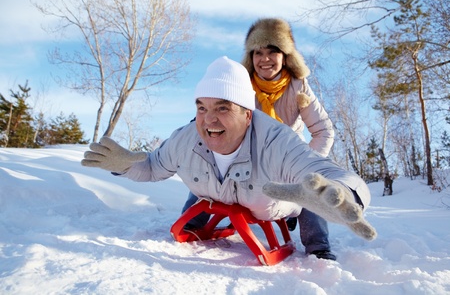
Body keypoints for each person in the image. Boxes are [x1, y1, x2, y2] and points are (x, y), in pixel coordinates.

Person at [81, 57, 377, 261]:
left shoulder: (276, 141)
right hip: (217, 192)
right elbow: (152, 167)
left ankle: (318, 248)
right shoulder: (186, 138)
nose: (209, 119)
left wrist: (347, 196)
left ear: (247, 114)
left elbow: (327, 172)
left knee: (313, 195)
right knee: (192, 208)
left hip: (271, 202)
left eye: (223, 108)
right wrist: (123, 165)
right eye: (201, 107)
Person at [184, 18, 337, 260]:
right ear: (251, 57)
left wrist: (306, 163)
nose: (265, 59)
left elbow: (324, 131)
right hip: (247, 155)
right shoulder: (240, 86)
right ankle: (192, 222)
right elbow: (212, 116)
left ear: (285, 56)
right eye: (258, 52)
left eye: (272, 52)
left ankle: (318, 246)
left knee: (312, 183)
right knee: (210, 167)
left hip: (284, 160)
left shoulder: (299, 88)